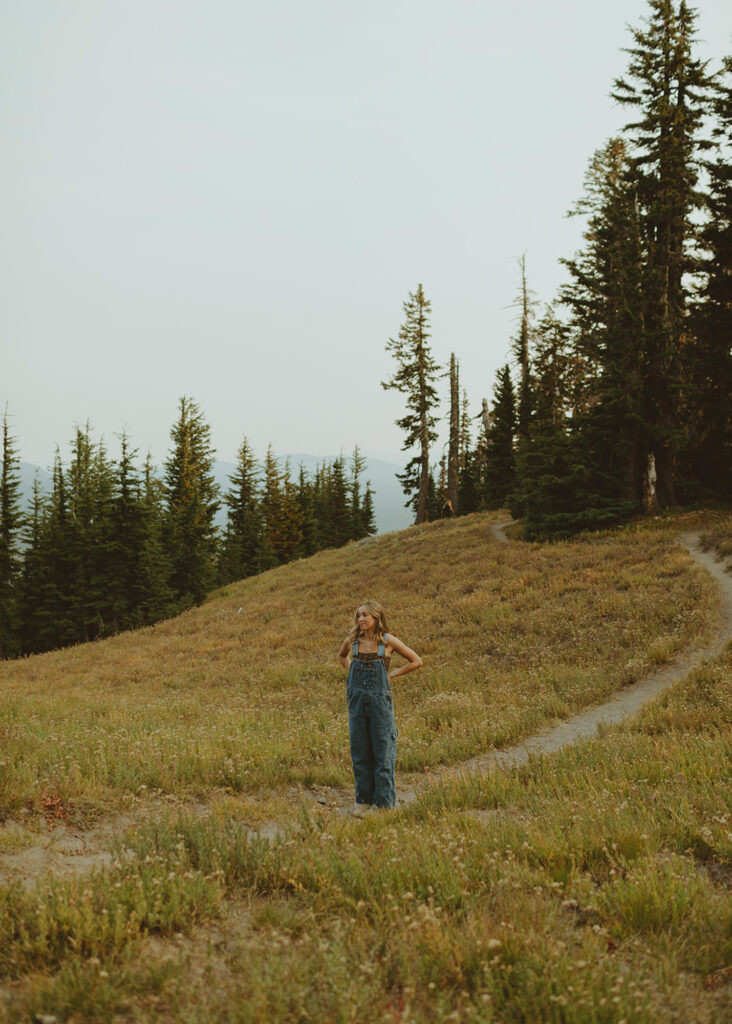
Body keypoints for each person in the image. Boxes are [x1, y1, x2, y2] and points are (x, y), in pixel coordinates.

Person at [337, 601, 423, 810]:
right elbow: (341, 657)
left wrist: (392, 674)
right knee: (360, 752)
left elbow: (416, 661)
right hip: (356, 702)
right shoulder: (353, 640)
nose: (361, 619)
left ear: (376, 617)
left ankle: (383, 806)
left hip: (379, 703)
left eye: (365, 615)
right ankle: (363, 803)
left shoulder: (388, 641)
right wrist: (352, 673)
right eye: (358, 615)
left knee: (383, 752)